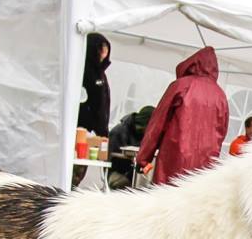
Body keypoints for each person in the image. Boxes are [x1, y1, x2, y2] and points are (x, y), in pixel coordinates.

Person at [135, 46, 229, 185]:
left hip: (174, 159)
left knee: (166, 196)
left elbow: (158, 123)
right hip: (204, 168)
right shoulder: (220, 96)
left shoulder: (181, 86)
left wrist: (143, 159)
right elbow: (221, 133)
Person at [78, 33, 112, 138]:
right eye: (101, 49)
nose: (104, 53)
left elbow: (103, 103)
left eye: (106, 50)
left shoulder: (101, 74)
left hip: (99, 129)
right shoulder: (83, 70)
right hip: (85, 129)